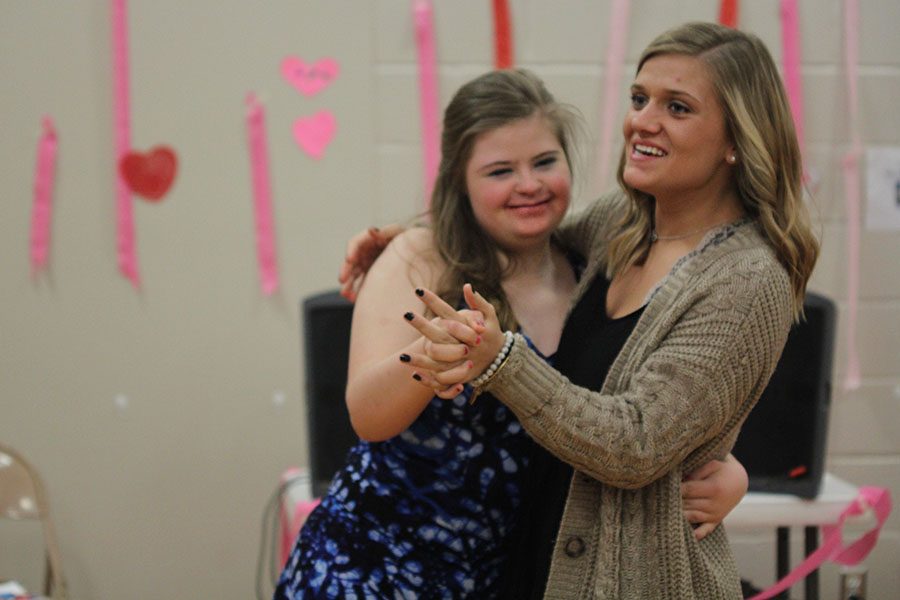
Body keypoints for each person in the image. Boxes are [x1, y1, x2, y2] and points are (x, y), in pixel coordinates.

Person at [345, 22, 819, 599]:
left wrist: (503, 362)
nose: (643, 121)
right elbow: (520, 242)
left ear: (736, 140)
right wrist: (410, 240)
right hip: (528, 564)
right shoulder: (620, 224)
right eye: (640, 98)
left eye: (678, 107)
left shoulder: (745, 278)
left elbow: (639, 443)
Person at [276, 68, 748, 599]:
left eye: (545, 162)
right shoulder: (422, 258)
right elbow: (367, 416)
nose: (529, 185)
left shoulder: (591, 268)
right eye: (500, 171)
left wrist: (731, 471)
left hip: (503, 578)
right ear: (460, 181)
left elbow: (629, 414)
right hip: (371, 569)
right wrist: (429, 354)